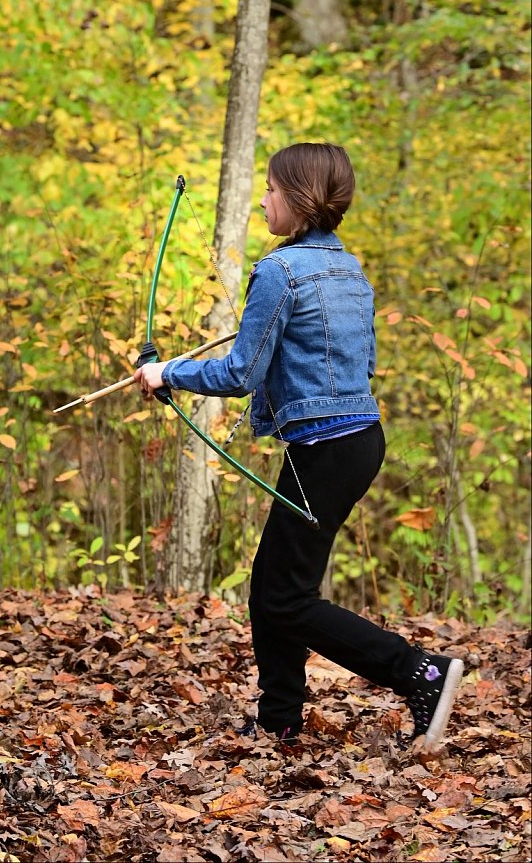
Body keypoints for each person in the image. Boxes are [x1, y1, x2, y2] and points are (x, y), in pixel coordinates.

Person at [134, 142, 463, 752]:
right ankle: (280, 720)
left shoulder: (278, 271)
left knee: (284, 596)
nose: (264, 200)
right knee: (273, 589)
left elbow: (239, 373)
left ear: (298, 198)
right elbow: (348, 362)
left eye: (272, 190)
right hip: (358, 441)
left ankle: (418, 670)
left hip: (326, 449)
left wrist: (166, 374)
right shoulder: (350, 269)